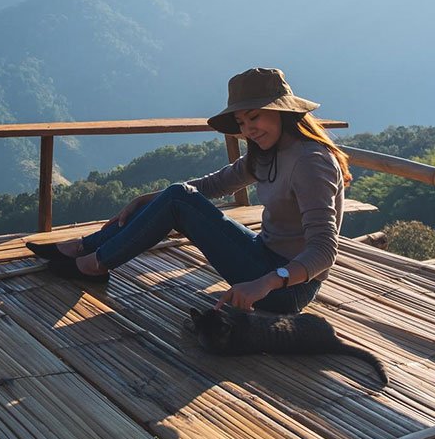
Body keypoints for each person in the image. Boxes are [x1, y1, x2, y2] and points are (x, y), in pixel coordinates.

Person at [27, 67, 351, 314]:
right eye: (241, 122)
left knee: (179, 197)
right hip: (262, 255)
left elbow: (324, 251)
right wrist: (150, 200)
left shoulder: (311, 161)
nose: (248, 129)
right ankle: (86, 248)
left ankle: (94, 263)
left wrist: (264, 283)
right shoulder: (267, 153)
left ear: (283, 111)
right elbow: (213, 185)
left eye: (254, 117)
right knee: (177, 195)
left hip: (284, 288)